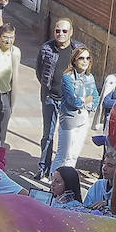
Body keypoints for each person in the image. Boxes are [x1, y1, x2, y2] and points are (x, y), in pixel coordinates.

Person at [36, 18, 81, 177]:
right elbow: (39, 72)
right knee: (47, 135)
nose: (60, 34)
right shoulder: (46, 48)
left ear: (71, 32)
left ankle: (63, 169)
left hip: (68, 103)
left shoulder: (78, 50)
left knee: (68, 137)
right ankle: (43, 167)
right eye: (57, 30)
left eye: (64, 31)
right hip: (50, 98)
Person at [52, 47, 97, 173]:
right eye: (81, 58)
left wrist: (89, 104)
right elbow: (73, 101)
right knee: (64, 154)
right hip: (69, 119)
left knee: (73, 156)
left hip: (83, 117)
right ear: (74, 60)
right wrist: (86, 101)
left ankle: (67, 182)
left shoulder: (90, 77)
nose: (85, 61)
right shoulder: (68, 77)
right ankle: (54, 181)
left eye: (87, 58)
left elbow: (96, 98)